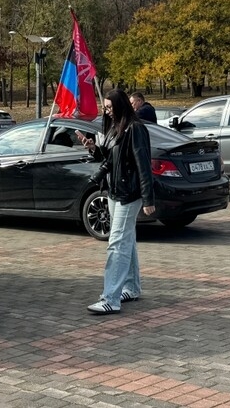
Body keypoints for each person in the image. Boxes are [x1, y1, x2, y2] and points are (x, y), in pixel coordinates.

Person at [78, 88, 155, 315]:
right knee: (126, 240)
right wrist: (93, 148)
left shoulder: (135, 128)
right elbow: (111, 158)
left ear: (120, 105)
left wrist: (148, 197)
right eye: (105, 107)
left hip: (128, 194)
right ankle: (130, 287)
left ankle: (110, 298)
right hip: (114, 191)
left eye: (110, 107)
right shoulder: (115, 128)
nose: (106, 111)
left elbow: (143, 165)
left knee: (117, 243)